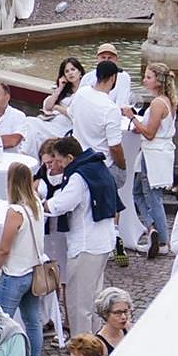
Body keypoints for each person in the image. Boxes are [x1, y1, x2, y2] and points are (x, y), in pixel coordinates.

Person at [39, 136, 119, 337]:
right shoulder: (98, 167)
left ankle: (81, 350)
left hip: (86, 245)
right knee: (93, 299)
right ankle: (93, 342)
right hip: (102, 241)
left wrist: (40, 206)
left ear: (70, 157)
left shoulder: (78, 177)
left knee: (78, 303)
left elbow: (61, 204)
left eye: (58, 159)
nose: (56, 164)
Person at [0, 163, 48, 356]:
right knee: (33, 322)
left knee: (0, 323)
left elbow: (4, 248)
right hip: (34, 270)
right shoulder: (37, 205)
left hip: (14, 274)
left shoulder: (15, 211)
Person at [123, 63, 177, 254]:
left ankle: (162, 241)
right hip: (157, 152)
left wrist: (131, 117)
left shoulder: (157, 103)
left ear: (158, 81)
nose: (144, 80)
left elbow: (150, 133)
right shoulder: (167, 100)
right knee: (138, 191)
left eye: (148, 77)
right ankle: (151, 228)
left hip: (153, 154)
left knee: (153, 198)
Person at [38, 57, 86, 140]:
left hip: (67, 128)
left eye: (73, 69)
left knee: (31, 124)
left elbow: (76, 114)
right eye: (67, 71)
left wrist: (57, 107)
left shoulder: (85, 90)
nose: (70, 73)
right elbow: (47, 107)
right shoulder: (63, 91)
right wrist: (60, 87)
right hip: (52, 122)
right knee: (30, 123)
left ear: (80, 71)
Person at [95, 286, 134, 353]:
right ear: (105, 313)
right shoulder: (100, 344)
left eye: (125, 311)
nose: (124, 317)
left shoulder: (127, 327)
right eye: (117, 313)